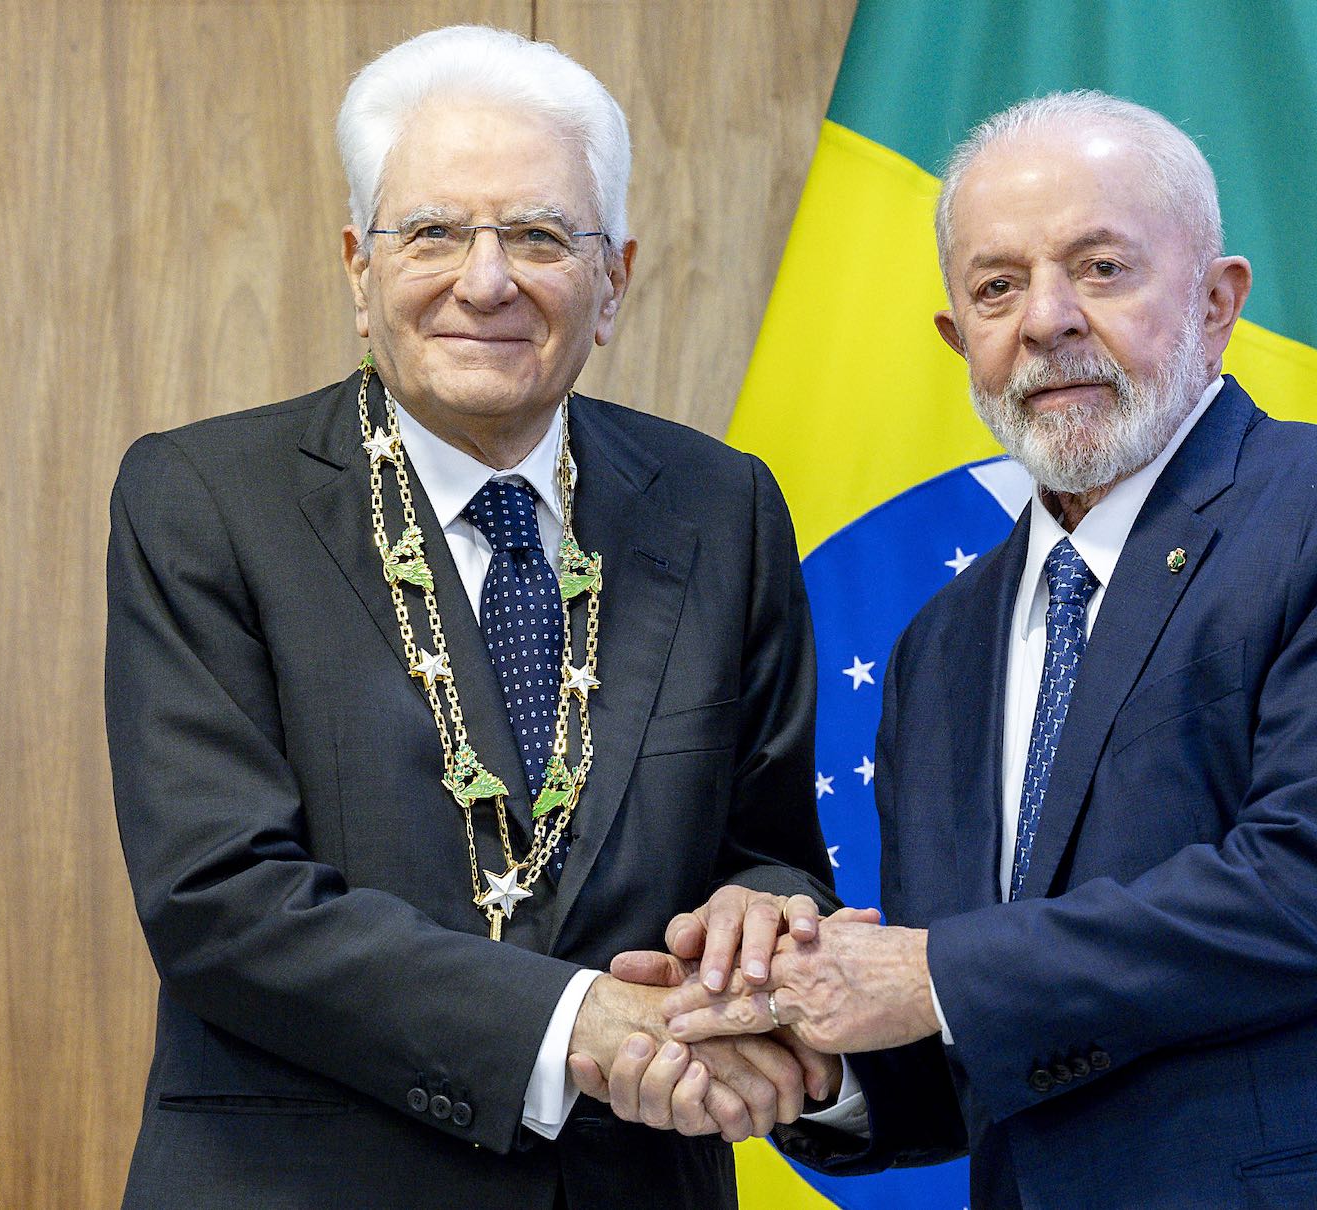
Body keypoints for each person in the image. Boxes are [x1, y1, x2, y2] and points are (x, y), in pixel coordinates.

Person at [610, 91, 1317, 1208]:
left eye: (1103, 268)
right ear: (958, 341)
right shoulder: (940, 651)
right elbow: (1002, 1033)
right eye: (997, 286)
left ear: (1220, 301)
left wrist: (926, 972)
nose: (1047, 319)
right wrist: (815, 1058)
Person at [104, 25, 840, 1208]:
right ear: (357, 268)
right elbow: (219, 897)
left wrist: (762, 912)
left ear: (614, 281)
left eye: (542, 235)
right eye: (435, 230)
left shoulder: (721, 506)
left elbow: (772, 841)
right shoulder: (205, 499)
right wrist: (573, 1021)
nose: (486, 279)